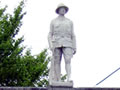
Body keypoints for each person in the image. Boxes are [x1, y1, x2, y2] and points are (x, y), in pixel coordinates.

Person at [48, 3, 76, 83]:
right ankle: (58, 79)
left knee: (68, 60)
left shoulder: (69, 22)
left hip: (67, 43)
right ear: (58, 10)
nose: (63, 10)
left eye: (64, 9)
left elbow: (73, 35)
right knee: (57, 61)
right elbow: (50, 34)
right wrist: (50, 45)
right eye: (61, 8)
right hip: (56, 43)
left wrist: (74, 47)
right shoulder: (53, 21)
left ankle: (69, 78)